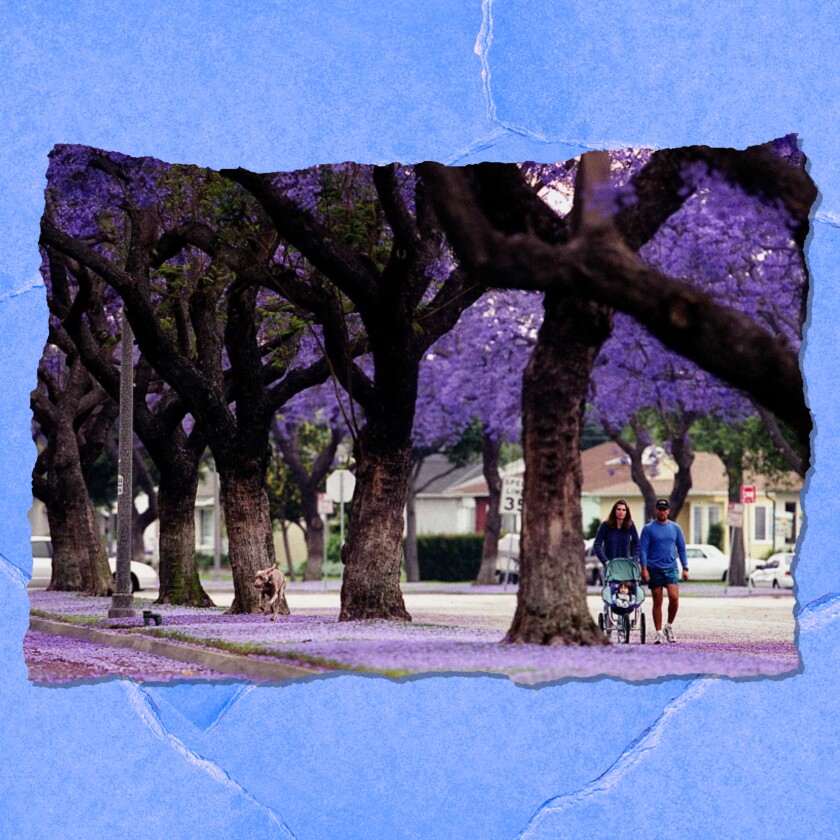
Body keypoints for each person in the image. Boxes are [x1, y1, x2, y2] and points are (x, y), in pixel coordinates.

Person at [640, 498, 689, 644]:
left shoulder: (675, 528)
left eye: (664, 509)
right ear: (656, 510)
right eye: (659, 509)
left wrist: (685, 567)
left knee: (674, 597)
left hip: (671, 567)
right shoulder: (648, 529)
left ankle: (669, 626)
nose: (662, 512)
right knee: (658, 601)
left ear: (668, 511)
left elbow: (681, 548)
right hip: (654, 568)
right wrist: (644, 569)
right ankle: (659, 632)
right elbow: (643, 549)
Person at [594, 499, 641, 569]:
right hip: (610, 566)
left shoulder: (630, 525)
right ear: (614, 511)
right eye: (618, 509)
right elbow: (597, 545)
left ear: (626, 512)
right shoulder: (605, 525)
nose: (621, 512)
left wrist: (634, 559)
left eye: (623, 510)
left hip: (625, 566)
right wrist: (605, 561)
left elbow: (637, 544)